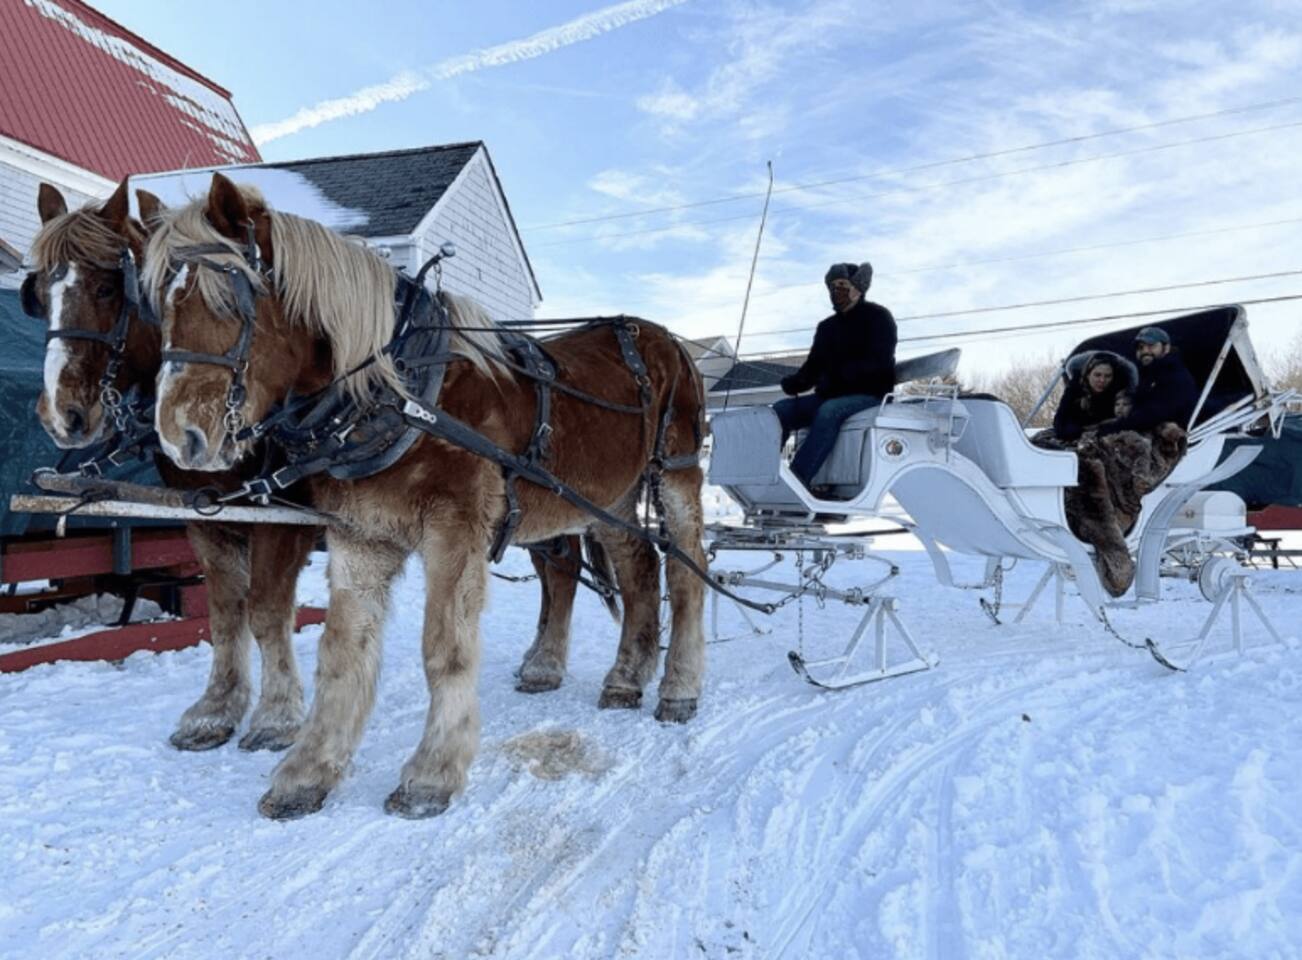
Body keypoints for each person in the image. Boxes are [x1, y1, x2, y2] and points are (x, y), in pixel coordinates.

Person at [772, 261, 897, 489]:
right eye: (833, 286)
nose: (836, 290)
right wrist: (795, 383)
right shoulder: (826, 327)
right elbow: (813, 367)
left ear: (858, 287)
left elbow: (878, 363)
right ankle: (769, 473)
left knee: (829, 411)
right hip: (830, 396)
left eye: (843, 285)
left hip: (870, 395)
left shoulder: (878, 317)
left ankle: (796, 482)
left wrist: (839, 377)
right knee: (780, 411)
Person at [1094, 326, 1198, 436]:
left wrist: (1112, 428)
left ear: (1166, 348)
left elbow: (1153, 415)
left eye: (1151, 346)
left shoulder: (1174, 375)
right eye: (1140, 347)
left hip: (1176, 438)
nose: (1145, 351)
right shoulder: (1149, 375)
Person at [1051, 352, 1127, 441]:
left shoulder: (1119, 391)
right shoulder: (1075, 389)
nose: (1102, 380)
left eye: (1108, 376)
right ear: (1088, 375)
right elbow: (1059, 422)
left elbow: (1126, 421)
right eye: (1097, 375)